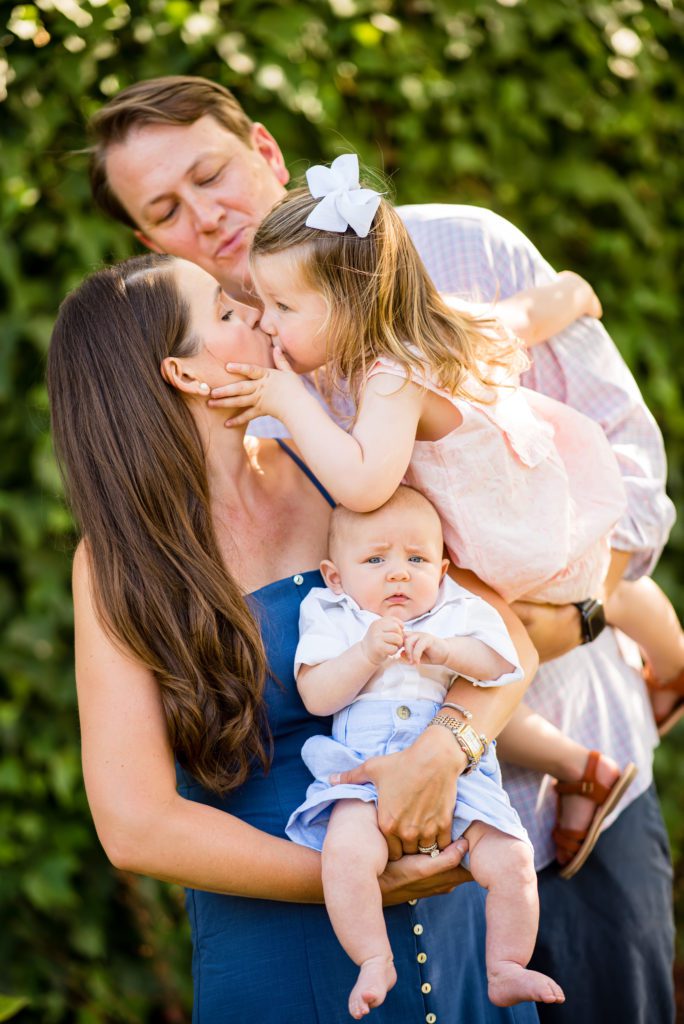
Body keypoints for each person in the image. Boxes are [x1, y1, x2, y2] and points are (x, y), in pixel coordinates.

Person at [86, 76, 676, 1022]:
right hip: (411, 829)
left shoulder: (451, 246)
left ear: (268, 154)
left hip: (565, 772)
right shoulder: (242, 408)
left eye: (211, 173)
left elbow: (632, 480)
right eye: (165, 208)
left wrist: (566, 613)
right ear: (148, 240)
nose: (205, 214)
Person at [47, 252, 542, 1024]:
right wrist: (351, 879)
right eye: (225, 311)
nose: (253, 312)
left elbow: (508, 643)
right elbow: (136, 824)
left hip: (454, 912)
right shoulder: (117, 562)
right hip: (282, 947)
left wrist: (444, 752)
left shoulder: (337, 470)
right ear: (185, 372)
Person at [287, 485, 565, 1016]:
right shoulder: (331, 611)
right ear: (335, 575)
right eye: (376, 559)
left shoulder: (455, 608)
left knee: (513, 858)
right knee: (345, 856)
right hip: (362, 774)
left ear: (441, 572)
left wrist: (447, 649)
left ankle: (506, 964)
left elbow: (500, 665)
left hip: (461, 774)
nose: (398, 572)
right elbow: (316, 693)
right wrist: (364, 654)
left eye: (416, 559)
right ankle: (373, 957)